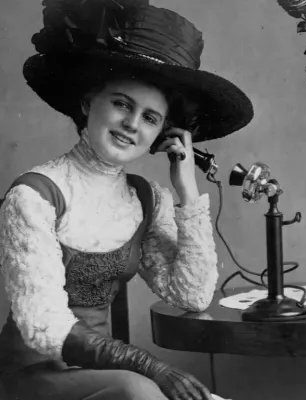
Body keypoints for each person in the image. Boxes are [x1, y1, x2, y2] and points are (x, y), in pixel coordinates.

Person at [0, 1, 254, 399]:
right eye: (121, 103)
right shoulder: (34, 195)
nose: (132, 124)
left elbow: (191, 294)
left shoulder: (146, 199)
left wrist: (187, 191)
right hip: (34, 377)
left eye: (151, 118)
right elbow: (41, 325)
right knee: (139, 391)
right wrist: (150, 367)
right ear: (88, 104)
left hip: (111, 374)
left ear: (162, 135)